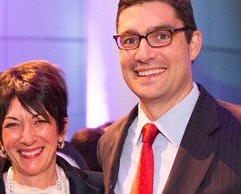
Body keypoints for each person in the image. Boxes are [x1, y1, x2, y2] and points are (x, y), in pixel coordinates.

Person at [97, 0, 241, 193]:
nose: (143, 54)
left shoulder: (236, 131)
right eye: (130, 40)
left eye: (161, 36)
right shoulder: (109, 142)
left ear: (193, 44)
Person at [0, 60, 104, 193]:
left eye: (39, 121)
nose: (28, 139)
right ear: (0, 137)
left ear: (62, 129)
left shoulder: (103, 188)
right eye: (13, 125)